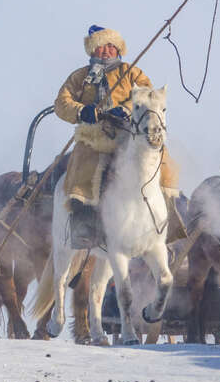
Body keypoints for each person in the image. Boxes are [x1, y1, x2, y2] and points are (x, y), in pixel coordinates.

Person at [55, 25, 186, 249]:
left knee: (160, 157)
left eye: (110, 46)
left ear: (117, 49)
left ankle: (171, 214)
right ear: (92, 50)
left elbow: (148, 94)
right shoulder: (79, 77)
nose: (105, 51)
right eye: (100, 47)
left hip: (129, 132)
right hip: (94, 134)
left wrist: (126, 108)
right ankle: (84, 224)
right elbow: (61, 103)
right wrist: (82, 111)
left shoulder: (131, 72)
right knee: (83, 162)